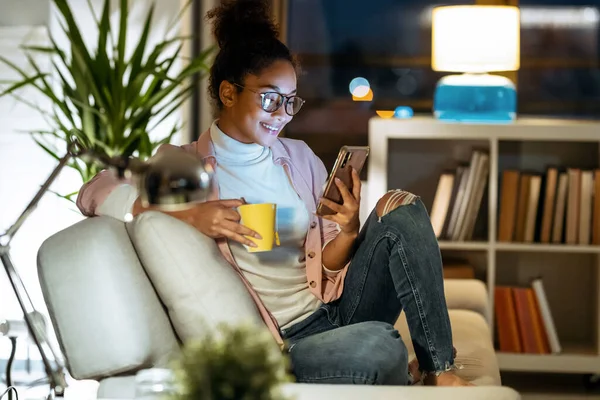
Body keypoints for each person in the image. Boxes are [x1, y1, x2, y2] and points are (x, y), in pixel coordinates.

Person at [76, 0, 472, 387]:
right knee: (382, 348)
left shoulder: (298, 158)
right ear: (229, 94)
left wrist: (348, 231)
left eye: (291, 101)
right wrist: (191, 215)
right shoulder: (182, 165)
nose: (282, 113)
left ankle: (440, 369)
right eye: (270, 99)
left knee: (403, 208)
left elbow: (326, 272)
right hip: (291, 342)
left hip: (337, 309)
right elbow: (94, 191)